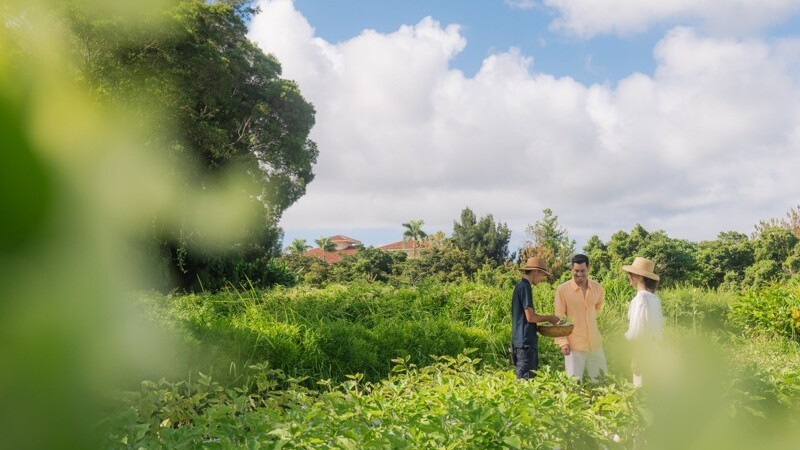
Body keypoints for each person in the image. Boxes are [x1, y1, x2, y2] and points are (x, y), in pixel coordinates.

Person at [554, 254, 608, 381]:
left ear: (588, 269)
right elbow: (559, 317)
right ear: (571, 269)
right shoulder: (562, 290)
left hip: (594, 343)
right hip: (573, 345)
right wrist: (563, 342)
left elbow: (597, 308)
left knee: (602, 381)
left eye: (582, 271)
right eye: (576, 271)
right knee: (574, 383)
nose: (579, 274)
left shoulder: (598, 288)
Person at [511, 257, 560, 380]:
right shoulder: (525, 287)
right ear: (536, 271)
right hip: (525, 344)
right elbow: (530, 317)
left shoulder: (520, 286)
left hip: (521, 342)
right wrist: (549, 318)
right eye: (543, 275)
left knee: (524, 380)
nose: (542, 279)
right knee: (526, 382)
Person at [622, 257, 663, 387]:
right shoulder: (655, 299)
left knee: (640, 389)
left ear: (639, 276)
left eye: (631, 273)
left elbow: (638, 333)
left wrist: (635, 357)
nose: (629, 276)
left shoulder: (640, 300)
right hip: (655, 351)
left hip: (642, 352)